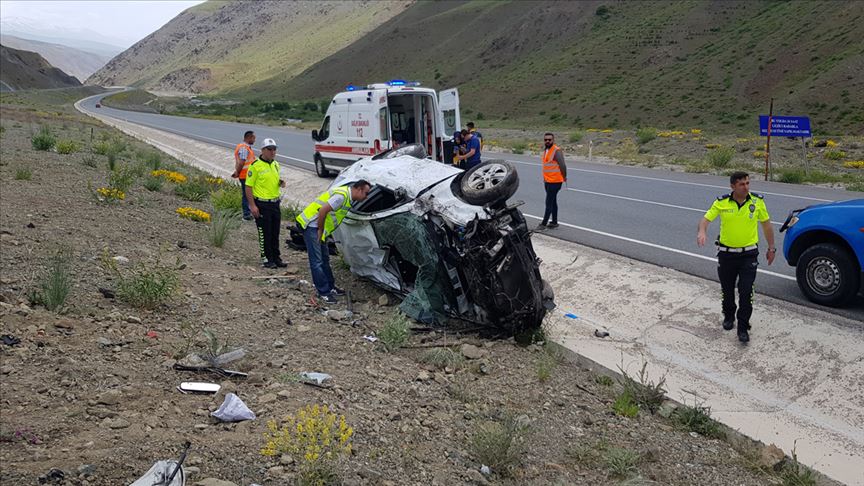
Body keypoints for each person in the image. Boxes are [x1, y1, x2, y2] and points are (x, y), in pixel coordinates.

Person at [697, 171, 775, 343]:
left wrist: (771, 248)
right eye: (742, 184)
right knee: (727, 289)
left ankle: (743, 327)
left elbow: (767, 226)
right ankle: (729, 315)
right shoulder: (722, 202)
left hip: (749, 254)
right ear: (732, 186)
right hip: (726, 255)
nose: (746, 187)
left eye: (748, 183)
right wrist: (702, 232)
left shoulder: (757, 201)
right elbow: (705, 219)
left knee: (746, 291)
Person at [296, 180, 372, 304]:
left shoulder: (347, 197)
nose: (366, 197)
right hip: (312, 226)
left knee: (325, 259)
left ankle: (330, 287)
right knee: (317, 261)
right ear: (358, 189)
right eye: (366, 193)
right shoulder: (342, 197)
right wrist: (320, 230)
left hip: (319, 228)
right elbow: (323, 210)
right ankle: (323, 292)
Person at [244, 138, 286, 269]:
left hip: (274, 203)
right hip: (261, 204)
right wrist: (252, 206)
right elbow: (248, 186)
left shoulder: (275, 164)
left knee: (275, 232)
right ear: (263, 150)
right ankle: (267, 258)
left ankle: (276, 257)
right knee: (264, 233)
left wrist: (280, 182)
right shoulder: (255, 166)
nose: (272, 152)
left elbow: (272, 179)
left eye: (274, 149)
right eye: (269, 149)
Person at [538, 132, 566, 229]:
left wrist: (564, 177)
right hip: (548, 181)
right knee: (553, 201)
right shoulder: (546, 150)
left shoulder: (556, 151)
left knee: (548, 202)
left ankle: (543, 224)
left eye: (549, 139)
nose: (547, 141)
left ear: (553, 140)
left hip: (555, 181)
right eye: (546, 139)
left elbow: (563, 165)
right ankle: (554, 222)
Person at [232, 130, 256, 220]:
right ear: (249, 137)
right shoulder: (244, 148)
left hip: (248, 175)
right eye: (254, 138)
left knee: (249, 195)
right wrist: (237, 172)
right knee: (247, 195)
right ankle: (246, 215)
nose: (254, 140)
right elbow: (241, 162)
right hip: (245, 176)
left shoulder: (245, 147)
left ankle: (249, 213)